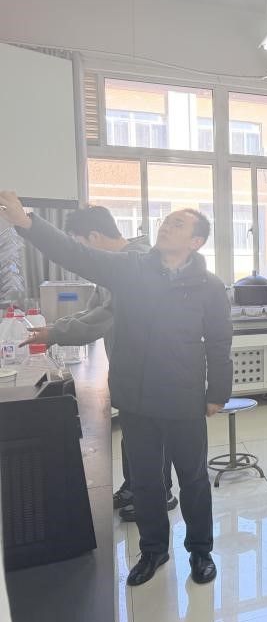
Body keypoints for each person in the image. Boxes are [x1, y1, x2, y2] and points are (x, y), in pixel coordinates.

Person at [0, 191, 232, 587]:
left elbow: (219, 342)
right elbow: (78, 256)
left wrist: (217, 394)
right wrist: (27, 223)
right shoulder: (132, 268)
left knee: (193, 479)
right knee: (145, 481)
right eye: (166, 220)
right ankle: (153, 550)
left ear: (196, 241)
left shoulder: (209, 287)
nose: (166, 225)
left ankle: (200, 551)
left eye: (178, 223)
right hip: (136, 396)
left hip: (183, 397)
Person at [21, 206, 177, 523]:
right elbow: (95, 308)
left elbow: (105, 318)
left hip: (154, 369)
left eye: (81, 244)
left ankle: (161, 494)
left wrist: (56, 333)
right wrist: (55, 328)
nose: (84, 255)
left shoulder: (139, 263)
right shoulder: (115, 267)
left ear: (93, 237)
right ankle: (135, 487)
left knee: (151, 435)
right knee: (134, 434)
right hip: (131, 367)